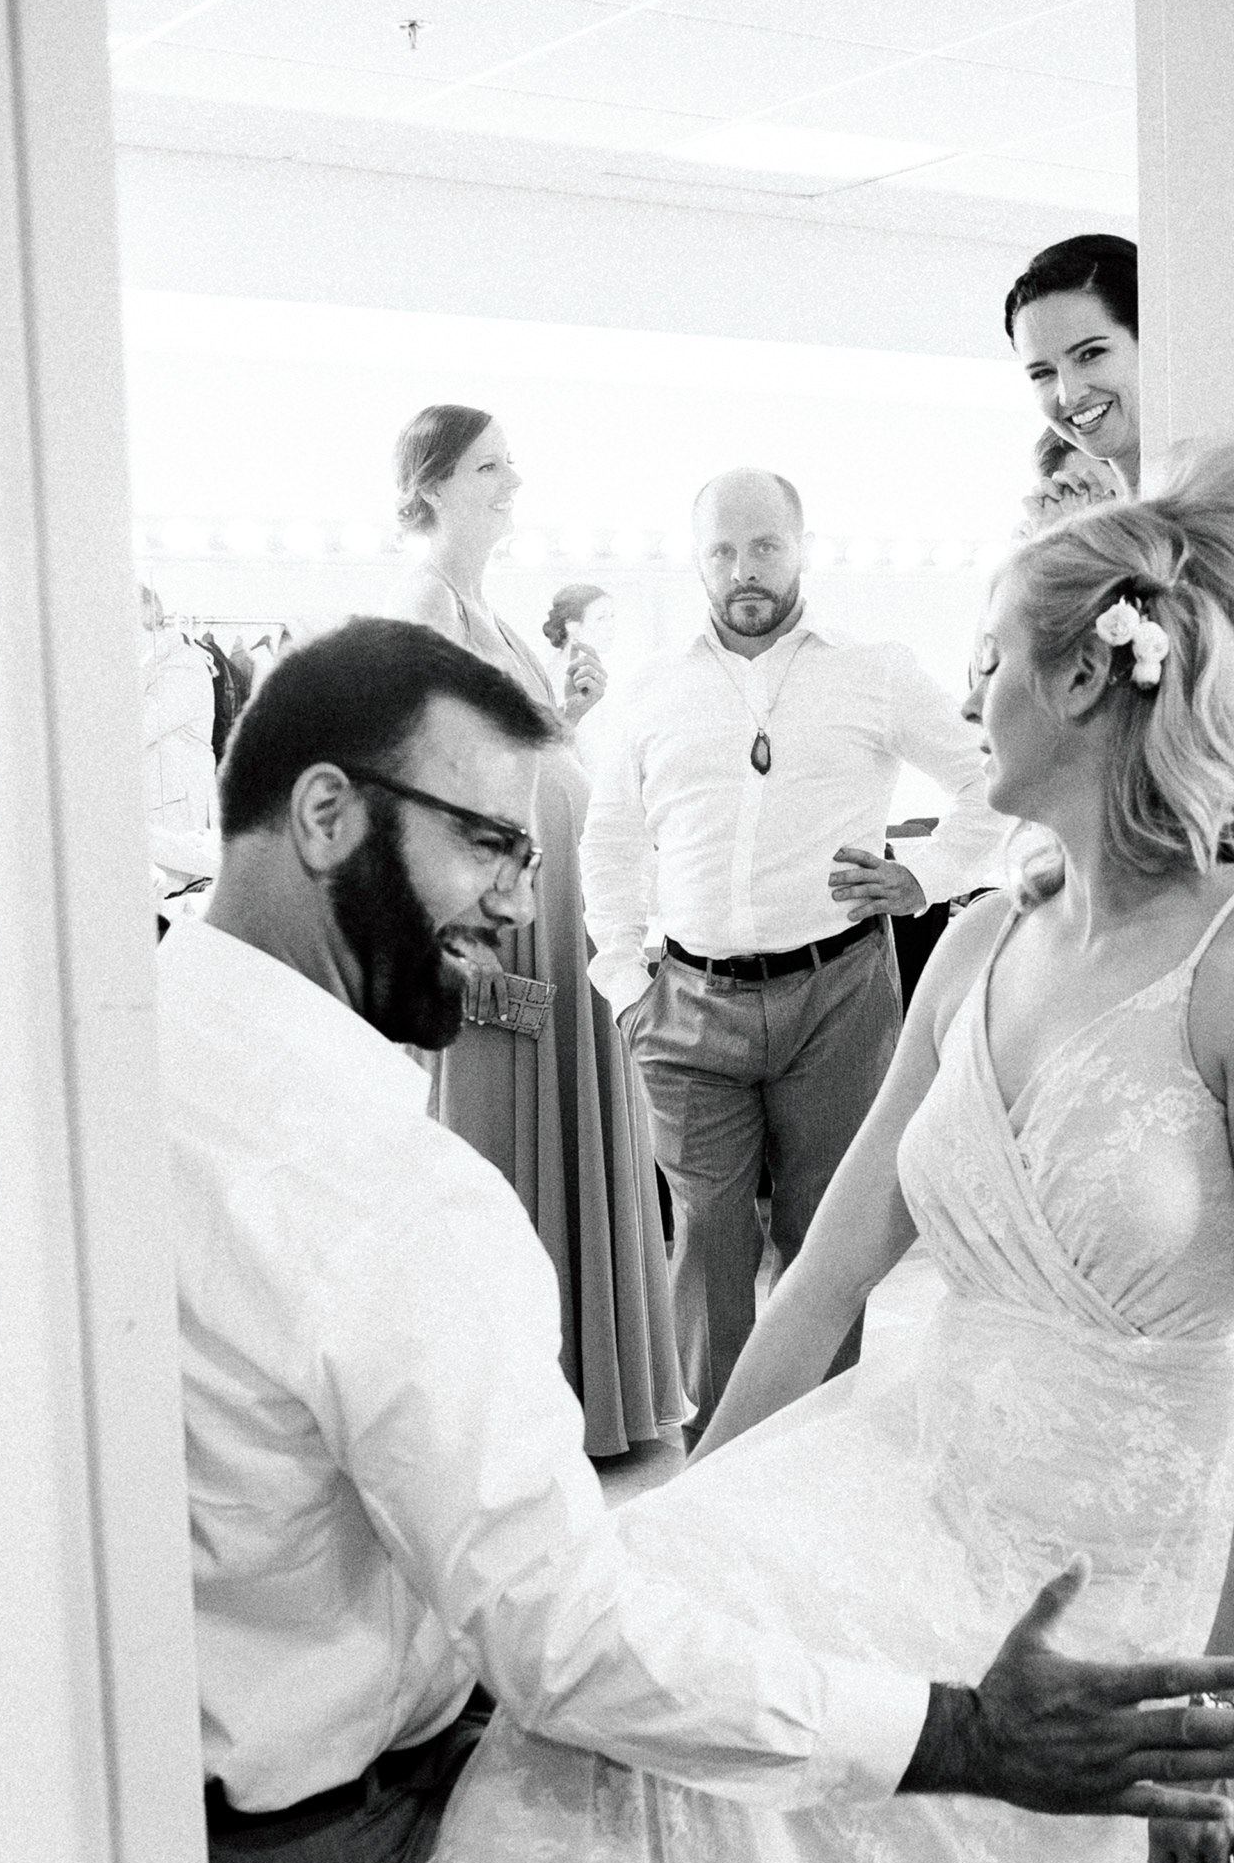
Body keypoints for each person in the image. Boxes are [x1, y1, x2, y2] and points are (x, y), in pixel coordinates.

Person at [231, 440, 1234, 1863]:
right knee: (617, 1722)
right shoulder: (982, 943)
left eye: (993, 664)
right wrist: (673, 1522)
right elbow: (825, 1274)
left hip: (1135, 1582)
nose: (969, 697)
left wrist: (1221, 1722)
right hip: (925, 1488)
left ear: (1090, 680)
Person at [162, 616, 1234, 1863]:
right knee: (785, 1855)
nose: (520, 901)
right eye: (489, 845)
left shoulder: (132, 1045)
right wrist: (968, 1737)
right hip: (325, 1860)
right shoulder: (392, 1199)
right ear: (324, 814)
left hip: (166, 1811)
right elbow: (569, 1653)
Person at [580, 466, 1011, 1426]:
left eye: (766, 546)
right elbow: (609, 843)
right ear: (699, 561)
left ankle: (812, 1456)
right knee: (707, 1242)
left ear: (802, 548)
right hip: (685, 1002)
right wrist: (622, 981)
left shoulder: (875, 670)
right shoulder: (652, 691)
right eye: (725, 550)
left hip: (839, 995)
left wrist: (928, 877)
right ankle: (716, 1465)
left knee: (828, 1239)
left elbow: (991, 779)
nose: (746, 569)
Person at [374, 405, 685, 1459]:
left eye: (510, 464)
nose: (512, 481)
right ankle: (508, 1414)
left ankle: (579, 1392)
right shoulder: (423, 600)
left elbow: (515, 758)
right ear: (432, 485)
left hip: (556, 903)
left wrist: (569, 720)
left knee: (562, 1120)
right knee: (503, 1129)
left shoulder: (485, 611)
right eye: (488, 466)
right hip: (502, 917)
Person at [1006, 231, 1143, 494]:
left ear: (1149, 344)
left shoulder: (1211, 493)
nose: (1069, 395)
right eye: (1043, 372)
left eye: (1090, 354)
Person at [140, 581, 221, 932]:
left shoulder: (181, 666)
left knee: (173, 924)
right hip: (164, 827)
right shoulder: (154, 666)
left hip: (177, 827)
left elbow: (134, 728)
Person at [540, 579, 615, 718]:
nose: (612, 627)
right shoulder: (567, 673)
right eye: (601, 618)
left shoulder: (582, 666)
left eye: (612, 617)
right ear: (572, 626)